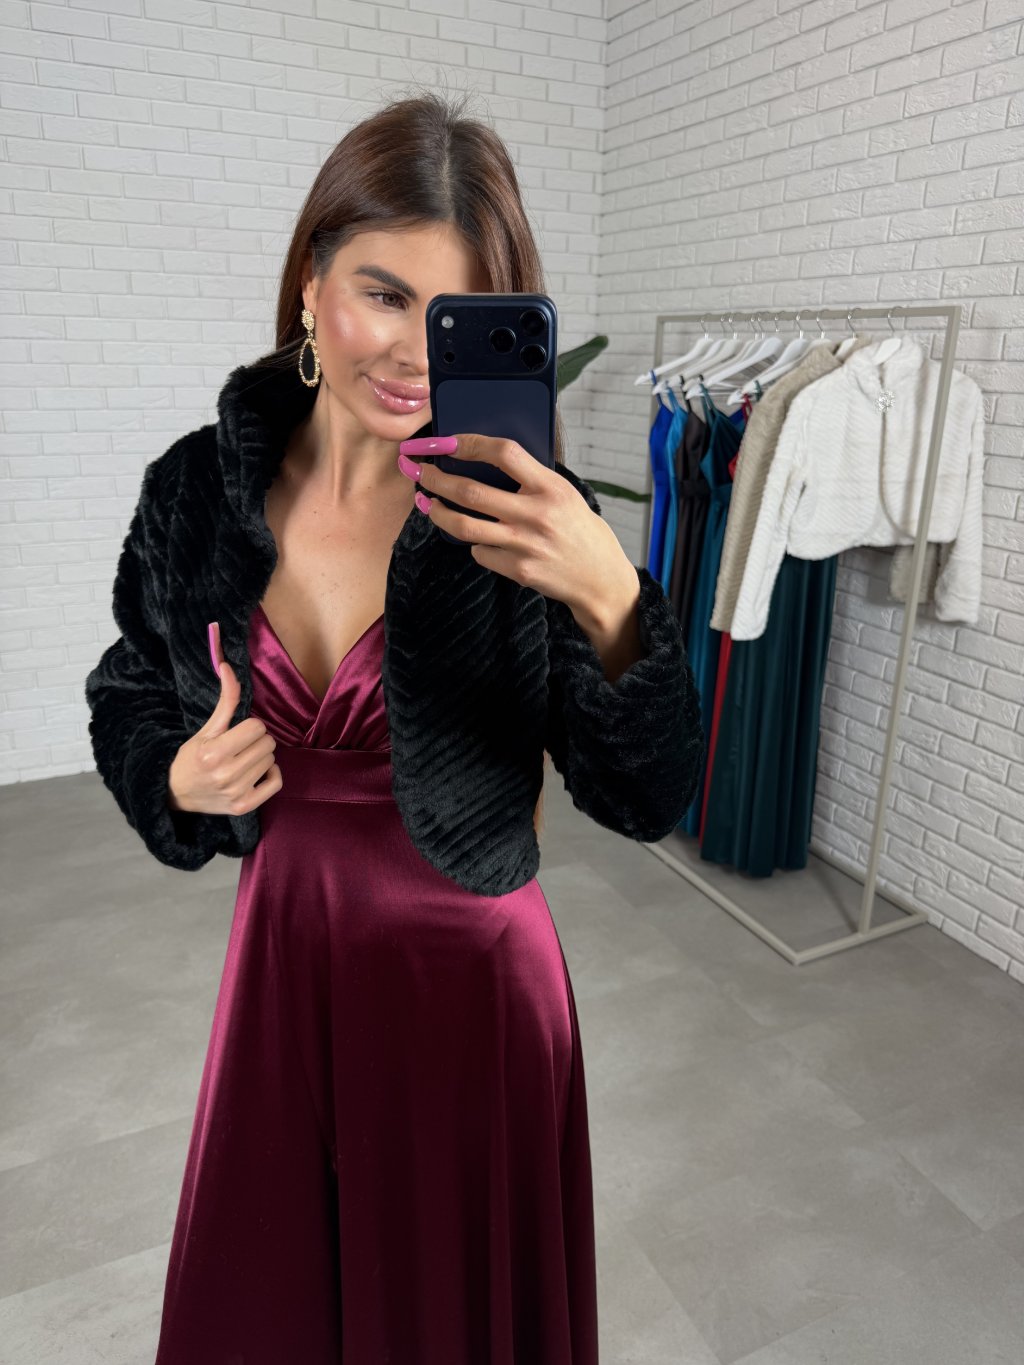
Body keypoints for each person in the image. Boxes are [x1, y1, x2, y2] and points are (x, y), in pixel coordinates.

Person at [85, 87, 704, 1365]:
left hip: (471, 986)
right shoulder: (198, 487)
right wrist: (172, 776)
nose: (414, 351)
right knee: (270, 1303)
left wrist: (607, 593)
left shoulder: (521, 512)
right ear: (312, 282)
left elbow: (642, 796)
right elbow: (128, 680)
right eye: (382, 292)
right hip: (283, 963)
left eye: (456, 314)